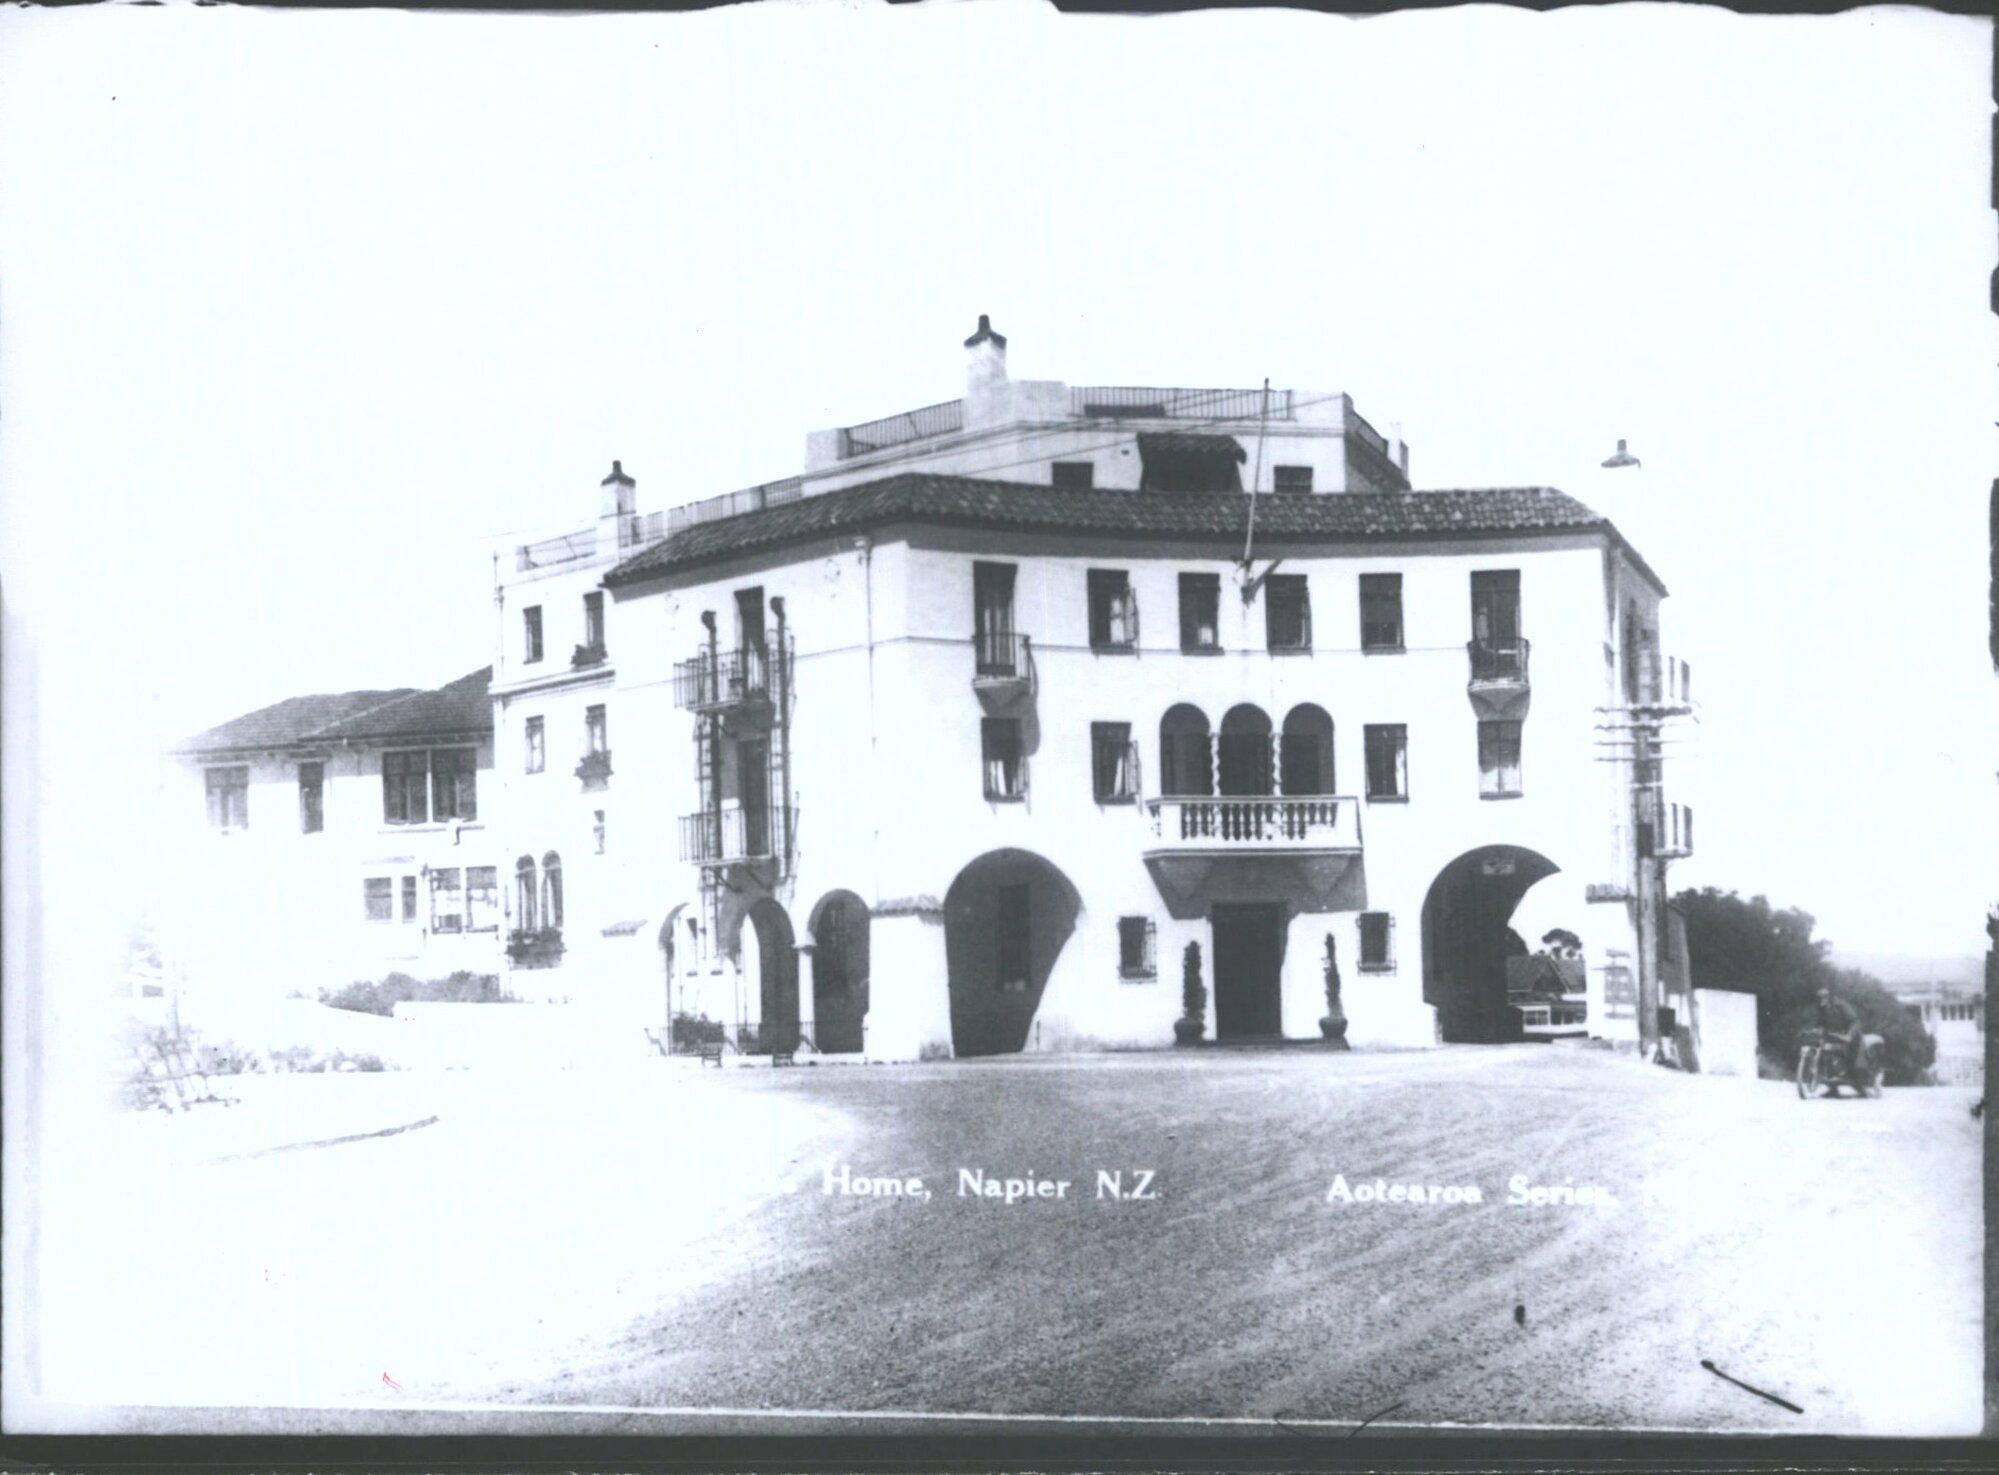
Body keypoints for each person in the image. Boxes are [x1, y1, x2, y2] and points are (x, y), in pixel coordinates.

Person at [1814, 985, 1862, 1080]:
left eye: (1824, 997)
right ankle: (1829, 1076)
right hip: (1834, 1034)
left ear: (1829, 998)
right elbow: (1820, 1023)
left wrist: (1849, 1035)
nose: (1822, 1000)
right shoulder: (1822, 1009)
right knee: (1824, 1049)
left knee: (1851, 1054)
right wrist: (1818, 1030)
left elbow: (1855, 1021)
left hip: (1848, 1033)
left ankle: (1852, 1076)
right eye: (1819, 998)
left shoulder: (1841, 1005)